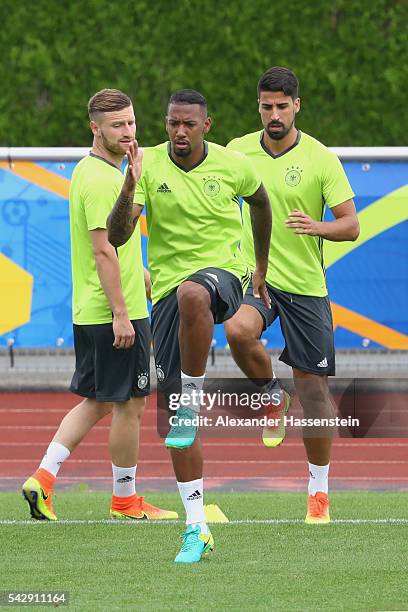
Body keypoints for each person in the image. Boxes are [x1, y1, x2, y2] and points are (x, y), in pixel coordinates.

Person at [107, 89, 272, 562]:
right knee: (176, 427)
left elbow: (261, 205)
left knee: (194, 293)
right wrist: (128, 184)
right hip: (168, 297)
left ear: (207, 126)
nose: (180, 132)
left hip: (222, 276)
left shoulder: (232, 165)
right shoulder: (146, 165)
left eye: (189, 124)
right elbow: (118, 236)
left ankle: (193, 398)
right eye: (172, 124)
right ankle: (196, 527)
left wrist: (259, 267)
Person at [22, 89, 177, 522]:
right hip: (112, 314)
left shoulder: (109, 173)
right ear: (95, 128)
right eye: (117, 126)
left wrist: (145, 279)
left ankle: (43, 479)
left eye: (131, 123)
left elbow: (121, 249)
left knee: (99, 400)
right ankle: (125, 501)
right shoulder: (98, 178)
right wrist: (123, 314)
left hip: (98, 309)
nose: (128, 133)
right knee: (131, 403)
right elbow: (103, 252)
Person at [225, 67, 360, 524]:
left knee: (315, 392)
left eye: (283, 106)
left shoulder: (322, 158)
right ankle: (268, 395)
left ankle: (318, 491)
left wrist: (317, 226)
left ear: (296, 106)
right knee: (238, 330)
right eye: (267, 106)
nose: (274, 114)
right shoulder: (237, 152)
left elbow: (351, 224)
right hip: (256, 277)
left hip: (306, 285)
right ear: (258, 106)